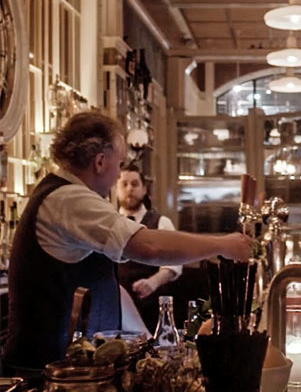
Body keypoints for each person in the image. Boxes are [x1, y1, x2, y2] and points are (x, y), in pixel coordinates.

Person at [5, 112, 251, 372]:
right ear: (100, 162)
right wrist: (222, 244)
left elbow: (108, 288)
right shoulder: (68, 199)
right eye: (119, 163)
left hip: (67, 372)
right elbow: (150, 248)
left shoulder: (69, 196)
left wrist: (149, 342)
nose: (117, 177)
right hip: (42, 375)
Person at [116, 163, 182, 332]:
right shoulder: (110, 224)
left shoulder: (161, 222)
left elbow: (174, 264)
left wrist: (153, 282)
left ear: (144, 189)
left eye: (135, 184)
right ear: (116, 189)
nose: (129, 188)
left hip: (152, 308)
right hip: (116, 308)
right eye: (124, 184)